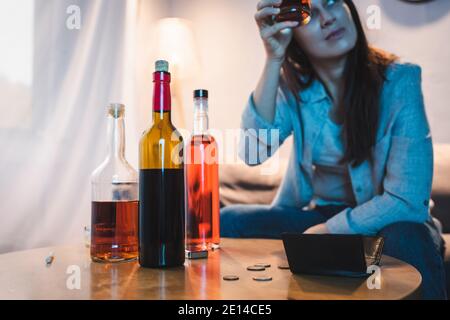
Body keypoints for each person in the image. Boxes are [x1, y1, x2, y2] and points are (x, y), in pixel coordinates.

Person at [220, 0, 447, 299]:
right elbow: (252, 152)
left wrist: (329, 231)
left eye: (332, 2)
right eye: (310, 13)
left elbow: (405, 202)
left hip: (390, 220)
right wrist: (273, 58)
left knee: (406, 235)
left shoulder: (400, 81)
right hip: (322, 214)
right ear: (294, 34)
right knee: (228, 221)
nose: (327, 18)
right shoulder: (295, 91)